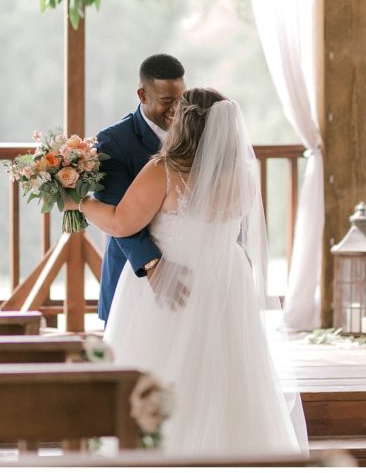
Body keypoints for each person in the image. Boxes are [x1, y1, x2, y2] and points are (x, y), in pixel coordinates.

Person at [67, 88, 308, 455]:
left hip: (170, 283)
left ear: (186, 122)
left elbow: (120, 223)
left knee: (164, 372)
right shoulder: (243, 175)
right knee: (229, 376)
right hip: (226, 281)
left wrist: (79, 202)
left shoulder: (164, 170)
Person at [94, 54, 188, 323]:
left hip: (189, 270)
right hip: (134, 270)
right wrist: (152, 265)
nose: (176, 110)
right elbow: (115, 216)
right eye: (167, 102)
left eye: (181, 99)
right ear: (142, 95)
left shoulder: (197, 131)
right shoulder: (114, 141)